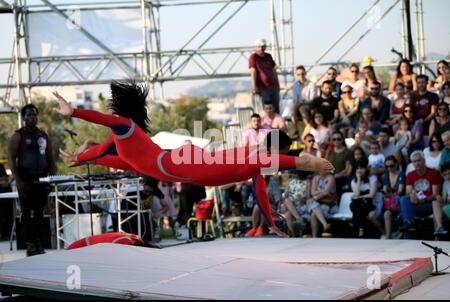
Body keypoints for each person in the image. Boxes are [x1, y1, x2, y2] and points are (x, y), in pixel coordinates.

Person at [54, 83, 334, 238]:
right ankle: (298, 161)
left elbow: (104, 126)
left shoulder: (124, 125)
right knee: (250, 165)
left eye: (110, 105)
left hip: (178, 165)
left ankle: (300, 162)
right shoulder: (121, 136)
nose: (107, 109)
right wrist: (80, 158)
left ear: (119, 109)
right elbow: (103, 152)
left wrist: (73, 112)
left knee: (247, 162)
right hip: (177, 169)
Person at [8, 104, 56, 256]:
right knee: (26, 213)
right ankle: (29, 244)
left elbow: (50, 158)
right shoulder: (18, 136)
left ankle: (38, 242)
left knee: (40, 213)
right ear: (23, 118)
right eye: (29, 115)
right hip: (25, 180)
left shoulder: (43, 135)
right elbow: (11, 159)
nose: (32, 117)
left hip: (42, 179)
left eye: (34, 115)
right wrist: (18, 181)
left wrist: (52, 179)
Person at [246, 130, 292, 237]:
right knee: (260, 205)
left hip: (274, 200)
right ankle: (255, 227)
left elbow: (277, 197)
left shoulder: (272, 173)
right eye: (284, 153)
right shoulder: (260, 159)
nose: (285, 157)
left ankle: (260, 227)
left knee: (264, 205)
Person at [399, 151, 447, 236]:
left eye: (419, 160)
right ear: (412, 163)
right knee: (404, 200)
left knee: (405, 212)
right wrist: (412, 195)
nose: (417, 163)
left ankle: (409, 230)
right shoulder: (410, 175)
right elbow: (408, 192)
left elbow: (435, 194)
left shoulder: (433, 173)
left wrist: (422, 200)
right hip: (416, 204)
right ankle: (409, 226)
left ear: (424, 160)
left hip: (429, 205)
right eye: (414, 161)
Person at [349, 159, 384, 238]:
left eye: (361, 168)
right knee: (355, 204)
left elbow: (371, 195)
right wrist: (358, 179)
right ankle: (362, 229)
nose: (359, 170)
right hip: (362, 206)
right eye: (357, 168)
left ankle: (360, 228)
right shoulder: (353, 181)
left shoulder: (372, 178)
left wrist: (360, 197)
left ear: (366, 168)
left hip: (372, 203)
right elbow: (357, 193)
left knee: (354, 205)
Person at [249, 38, 280, 113]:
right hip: (262, 88)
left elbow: (274, 70)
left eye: (263, 46)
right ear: (256, 47)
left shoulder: (269, 56)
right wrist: (254, 85)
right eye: (259, 47)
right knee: (266, 109)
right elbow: (253, 71)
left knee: (275, 109)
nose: (261, 48)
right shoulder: (253, 57)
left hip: (273, 86)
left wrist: (277, 83)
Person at [381, 156, 405, 239]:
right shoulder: (386, 176)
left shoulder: (401, 174)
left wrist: (388, 195)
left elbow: (400, 191)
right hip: (390, 203)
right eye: (386, 166)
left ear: (396, 164)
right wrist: (384, 193)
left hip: (400, 203)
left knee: (397, 198)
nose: (389, 168)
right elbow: (384, 189)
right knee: (386, 213)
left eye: (391, 166)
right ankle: (388, 236)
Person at [307, 171, 336, 237]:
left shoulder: (331, 178)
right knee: (313, 208)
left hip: (328, 204)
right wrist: (322, 191)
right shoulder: (315, 178)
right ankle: (325, 224)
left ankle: (314, 236)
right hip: (318, 204)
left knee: (313, 213)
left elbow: (326, 192)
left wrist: (315, 197)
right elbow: (313, 193)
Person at [291, 65, 318, 132]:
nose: (301, 76)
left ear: (305, 73)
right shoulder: (295, 85)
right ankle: (296, 129)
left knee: (302, 108)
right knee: (295, 108)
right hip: (299, 104)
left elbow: (313, 99)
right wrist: (297, 103)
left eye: (302, 74)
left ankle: (308, 128)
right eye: (298, 74)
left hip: (310, 104)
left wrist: (300, 103)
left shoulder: (311, 84)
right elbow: (295, 99)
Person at [284, 171, 310, 237]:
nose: (292, 174)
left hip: (302, 205)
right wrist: (286, 192)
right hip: (292, 206)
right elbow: (285, 196)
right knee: (287, 202)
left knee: (287, 214)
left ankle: (294, 234)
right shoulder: (290, 182)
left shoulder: (307, 182)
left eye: (294, 173)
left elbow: (309, 197)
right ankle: (294, 233)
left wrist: (301, 199)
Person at [327, 131, 352, 197]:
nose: (336, 141)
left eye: (339, 139)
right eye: (334, 139)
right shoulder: (329, 151)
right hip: (329, 179)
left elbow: (347, 169)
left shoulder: (347, 152)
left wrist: (338, 175)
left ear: (342, 140)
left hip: (342, 179)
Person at [0, 162, 13, 240]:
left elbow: (5, 179)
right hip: (4, 191)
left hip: (5, 192)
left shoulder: (0, 166)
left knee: (7, 213)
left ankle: (7, 233)